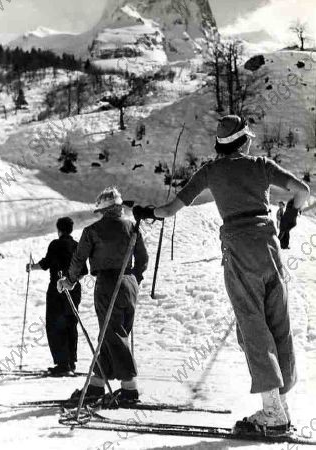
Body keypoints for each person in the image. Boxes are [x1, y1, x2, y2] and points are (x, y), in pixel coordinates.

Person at [133, 115, 310, 432]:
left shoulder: (211, 172)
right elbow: (302, 190)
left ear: (220, 144)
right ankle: (280, 406)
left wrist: (147, 212)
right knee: (277, 322)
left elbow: (171, 209)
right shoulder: (260, 165)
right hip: (269, 248)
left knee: (252, 326)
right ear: (243, 140)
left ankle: (273, 413)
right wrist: (288, 224)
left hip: (239, 251)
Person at [58, 187, 148, 403]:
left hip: (108, 284)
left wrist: (69, 281)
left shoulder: (93, 231)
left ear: (103, 209)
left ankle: (129, 389)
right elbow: (143, 258)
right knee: (111, 334)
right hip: (129, 283)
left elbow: (79, 261)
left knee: (113, 335)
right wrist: (134, 278)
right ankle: (96, 385)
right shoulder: (133, 227)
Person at [26, 217, 88, 376]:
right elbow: (83, 271)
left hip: (56, 290)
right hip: (74, 289)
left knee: (55, 325)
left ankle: (62, 364)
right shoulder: (77, 245)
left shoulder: (55, 244)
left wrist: (31, 267)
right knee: (71, 324)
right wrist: (71, 282)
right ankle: (71, 362)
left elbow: (46, 263)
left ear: (59, 229)